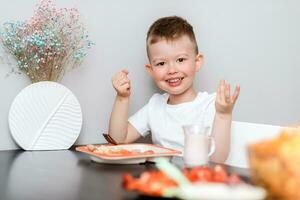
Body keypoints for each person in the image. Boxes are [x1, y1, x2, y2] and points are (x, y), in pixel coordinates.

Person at [108, 16, 240, 163]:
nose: (172, 70)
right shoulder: (155, 106)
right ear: (151, 70)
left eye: (180, 60)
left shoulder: (210, 105)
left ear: (197, 62)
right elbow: (117, 141)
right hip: (160, 181)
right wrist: (122, 98)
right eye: (161, 63)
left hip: (196, 181)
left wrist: (223, 115)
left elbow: (217, 159)